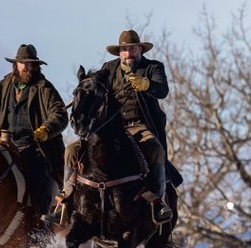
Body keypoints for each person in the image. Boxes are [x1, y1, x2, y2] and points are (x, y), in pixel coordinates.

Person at [59, 30, 173, 223]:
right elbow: (95, 90)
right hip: (111, 127)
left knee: (155, 149)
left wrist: (147, 84)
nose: (129, 53)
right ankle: (65, 199)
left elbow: (162, 90)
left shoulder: (153, 67)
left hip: (140, 125)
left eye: (133, 49)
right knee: (71, 150)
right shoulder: (108, 69)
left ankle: (159, 201)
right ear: (119, 53)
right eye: (125, 50)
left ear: (140, 50)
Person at [0, 44, 67, 245]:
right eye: (22, 63)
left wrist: (46, 130)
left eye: (29, 64)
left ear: (35, 66)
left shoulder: (45, 87)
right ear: (15, 65)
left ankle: (40, 225)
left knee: (38, 176)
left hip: (33, 144)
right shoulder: (7, 82)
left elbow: (60, 115)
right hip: (3, 140)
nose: (25, 67)